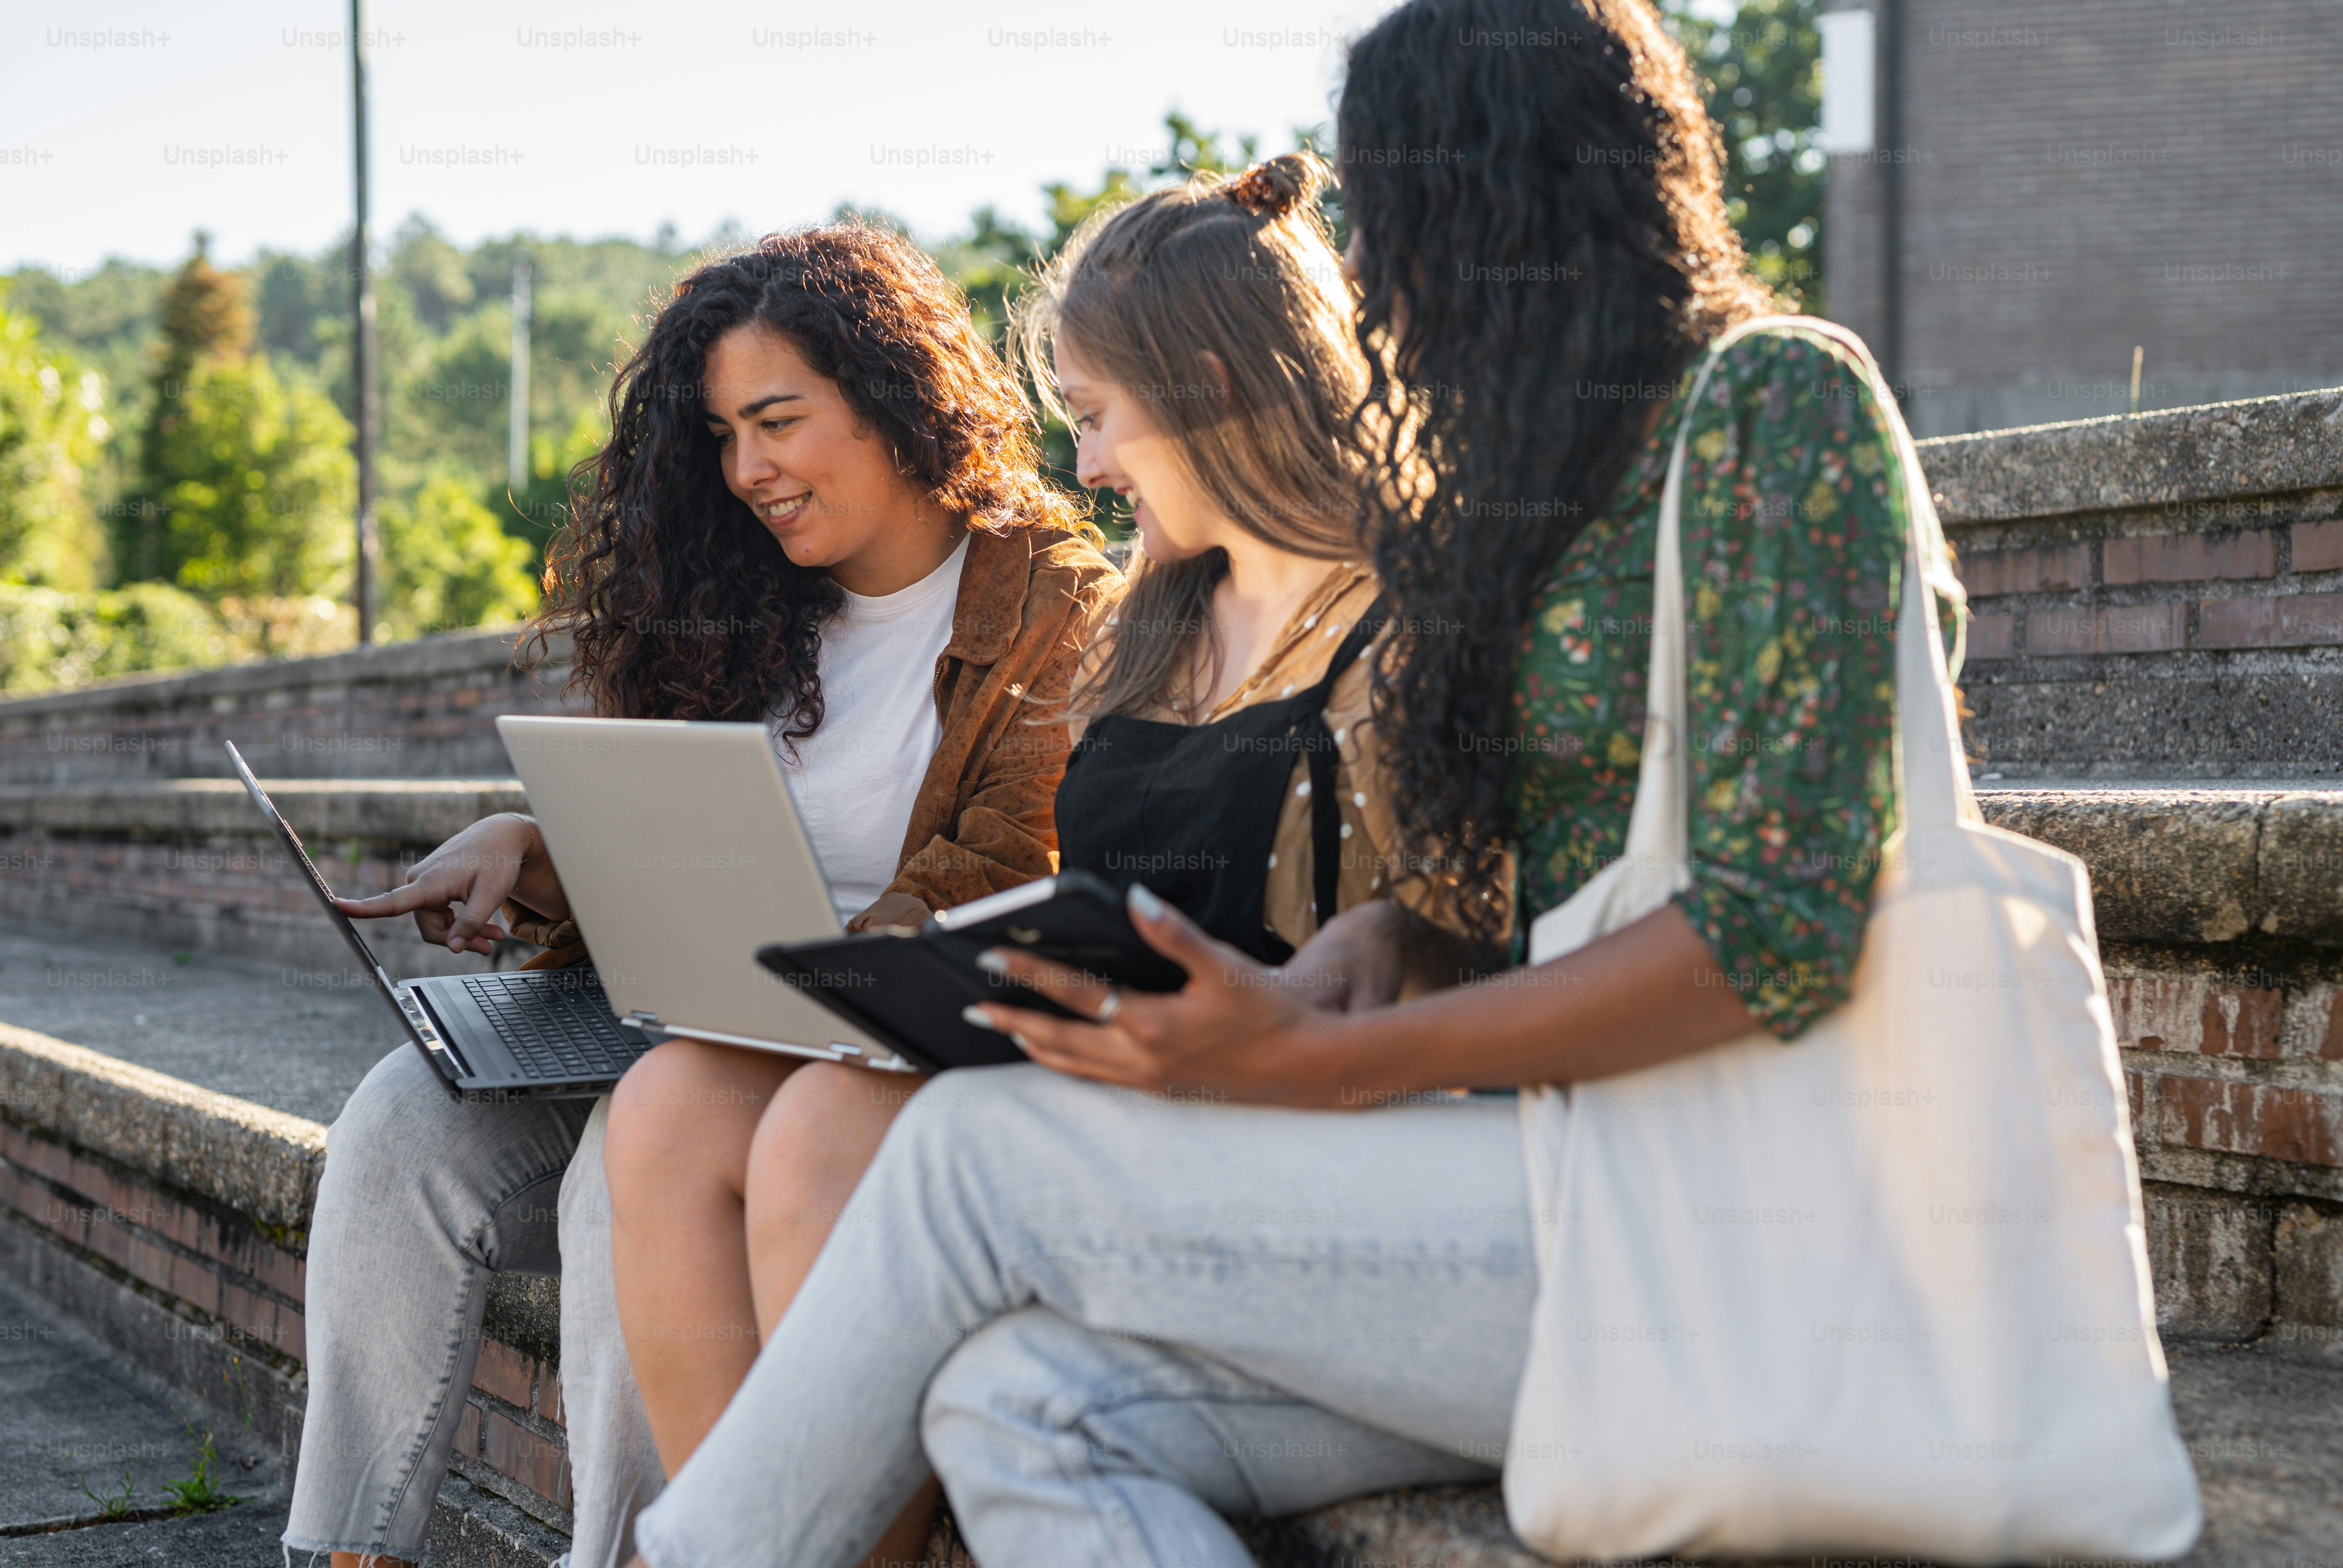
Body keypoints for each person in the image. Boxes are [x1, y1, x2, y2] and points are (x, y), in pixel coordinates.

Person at [622, 1, 1962, 1566]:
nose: (1371, 283)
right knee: (1016, 1401)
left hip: (1733, 1224)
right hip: (1548, 1195)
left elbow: (1777, 933)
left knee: (962, 1155)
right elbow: (1550, 892)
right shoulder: (1534, 496)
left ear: (1504, 197)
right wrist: (1395, 948)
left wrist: (1309, 1061)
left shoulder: (1773, 403)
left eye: (1392, 215)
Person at [600, 152, 1486, 1565]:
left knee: (833, 1132)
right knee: (673, 1108)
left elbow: (1415, 981)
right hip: (1113, 1066)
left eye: (1096, 417)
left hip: (1292, 1119)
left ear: (1206, 383)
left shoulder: (1417, 620)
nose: (1082, 466)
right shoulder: (1157, 615)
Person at [279, 223, 1115, 1568]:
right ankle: (347, 1550)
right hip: (696, 1016)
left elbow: (1018, 856)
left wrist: (792, 971)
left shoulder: (1052, 604)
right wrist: (533, 850)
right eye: (724, 434)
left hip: (873, 1039)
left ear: (898, 400)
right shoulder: (735, 602)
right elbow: (679, 846)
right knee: (396, 1118)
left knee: (634, 1145)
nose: (749, 472)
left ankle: (623, 1555)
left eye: (778, 422)